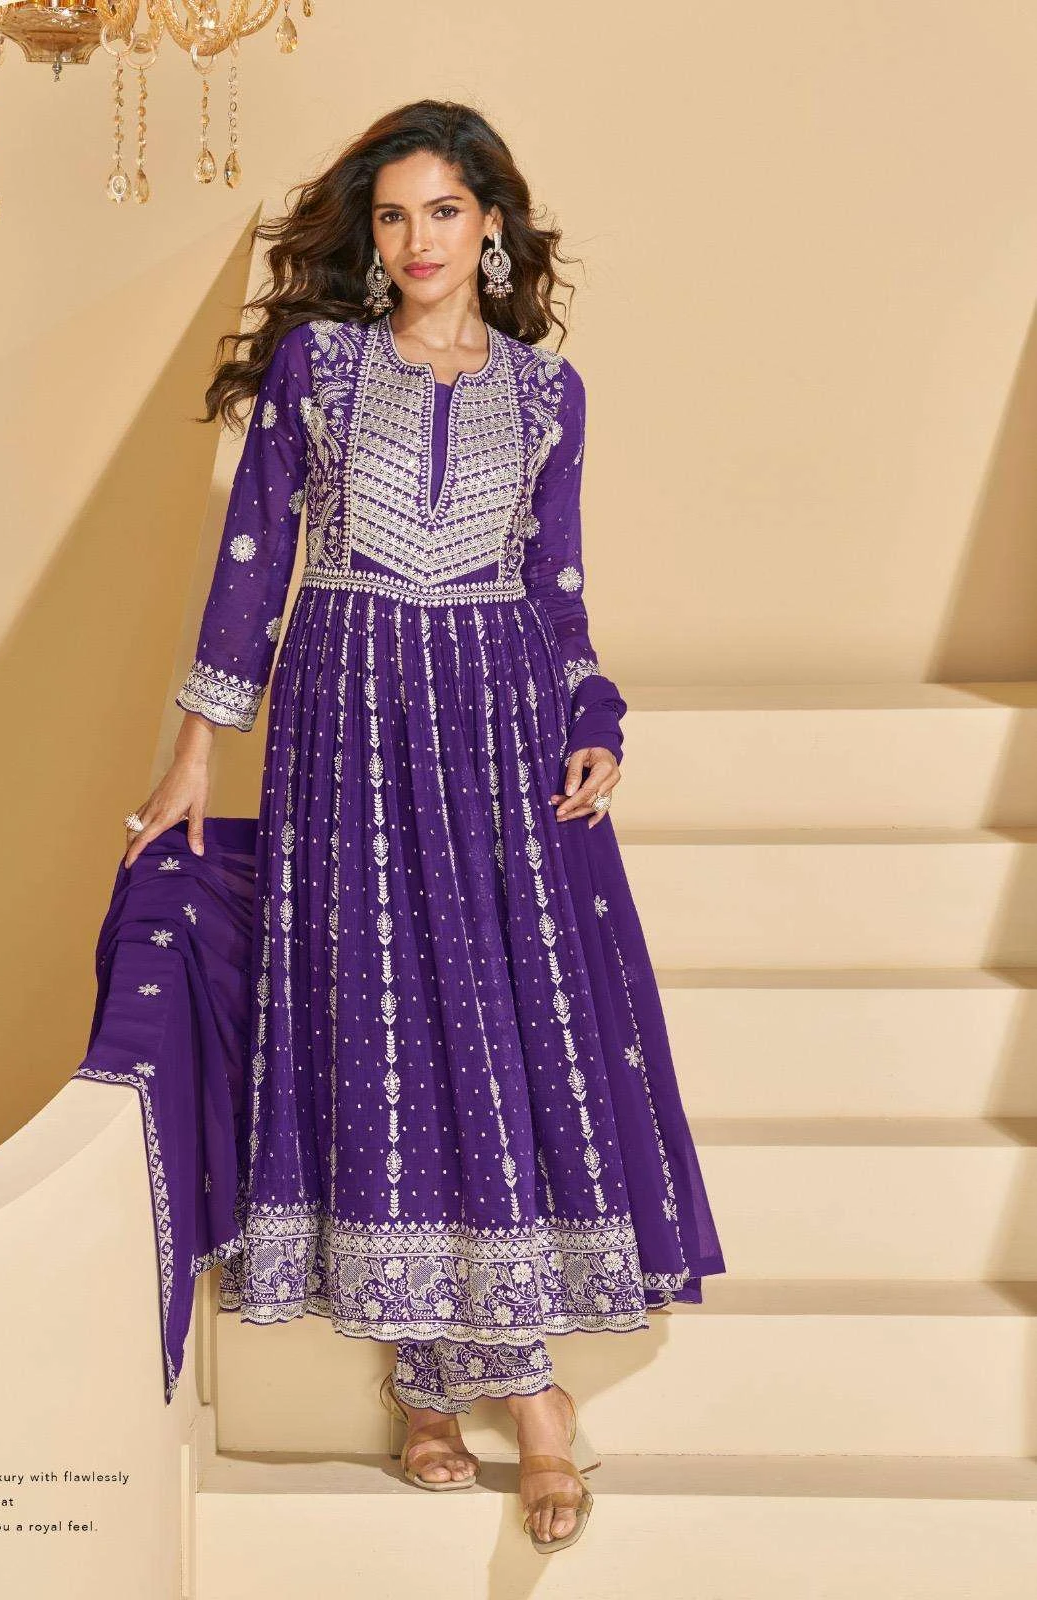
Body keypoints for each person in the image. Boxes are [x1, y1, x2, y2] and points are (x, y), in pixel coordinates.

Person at [121, 99, 725, 1554]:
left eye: (442, 212)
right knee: (379, 1022)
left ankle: (512, 1397)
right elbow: (252, 559)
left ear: (490, 224)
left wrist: (593, 716)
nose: (415, 241)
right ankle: (446, 1388)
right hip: (343, 716)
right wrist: (196, 752)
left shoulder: (546, 391)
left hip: (498, 718)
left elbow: (558, 587)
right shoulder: (320, 368)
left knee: (495, 1026)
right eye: (391, 217)